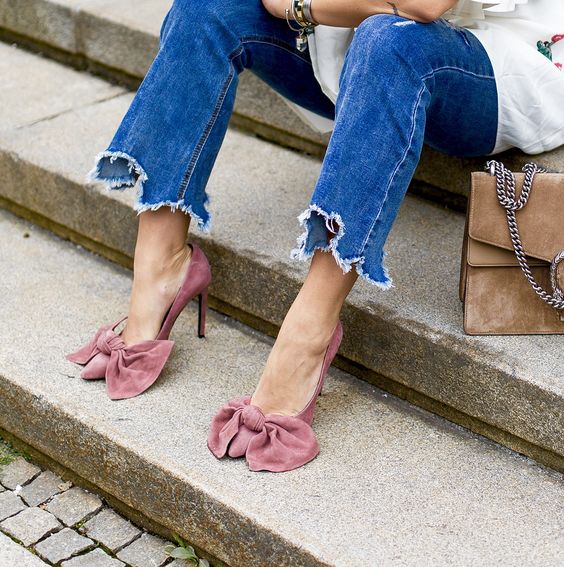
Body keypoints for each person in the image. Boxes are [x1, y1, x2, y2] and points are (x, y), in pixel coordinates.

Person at [66, 0, 564, 472]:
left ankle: (309, 331)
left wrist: (300, 7)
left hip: (501, 64)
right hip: (350, 40)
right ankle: (162, 266)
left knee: (388, 40)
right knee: (206, 7)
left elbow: (423, 7)